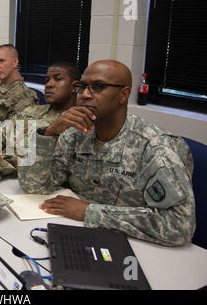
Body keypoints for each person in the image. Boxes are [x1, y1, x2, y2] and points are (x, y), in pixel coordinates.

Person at [18, 59, 195, 247]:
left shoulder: (155, 146)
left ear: (123, 94)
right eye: (82, 86)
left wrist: (90, 212)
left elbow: (179, 225)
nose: (85, 95)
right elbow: (33, 186)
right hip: (77, 232)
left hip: (136, 247)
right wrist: (49, 133)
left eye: (98, 87)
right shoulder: (76, 133)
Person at [0, 62, 80, 176]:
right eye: (47, 80)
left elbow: (48, 167)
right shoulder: (32, 110)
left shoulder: (74, 123)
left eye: (58, 79)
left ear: (75, 87)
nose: (49, 84)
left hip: (28, 182)